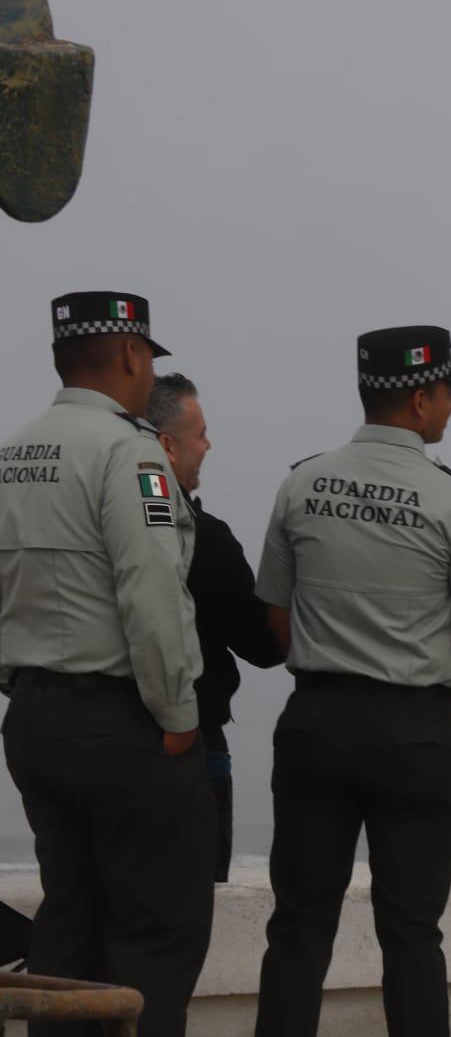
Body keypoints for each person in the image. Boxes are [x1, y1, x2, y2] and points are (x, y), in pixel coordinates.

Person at [252, 325, 451, 1037]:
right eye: (450, 390)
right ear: (421, 398)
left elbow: (275, 610)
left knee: (299, 925)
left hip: (317, 723)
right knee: (412, 931)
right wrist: (429, 707)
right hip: (415, 731)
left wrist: (333, 673)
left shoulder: (301, 482)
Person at [0, 291, 214, 1037]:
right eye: (149, 355)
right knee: (158, 936)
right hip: (120, 726)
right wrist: (179, 715)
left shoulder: (12, 451)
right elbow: (151, 593)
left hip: (33, 720)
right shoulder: (130, 452)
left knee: (68, 924)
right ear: (130, 353)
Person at [148, 373, 285, 883]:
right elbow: (266, 647)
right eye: (200, 432)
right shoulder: (203, 538)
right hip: (189, 741)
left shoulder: (88, 529)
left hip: (89, 741)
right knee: (185, 910)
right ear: (166, 444)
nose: (209, 445)